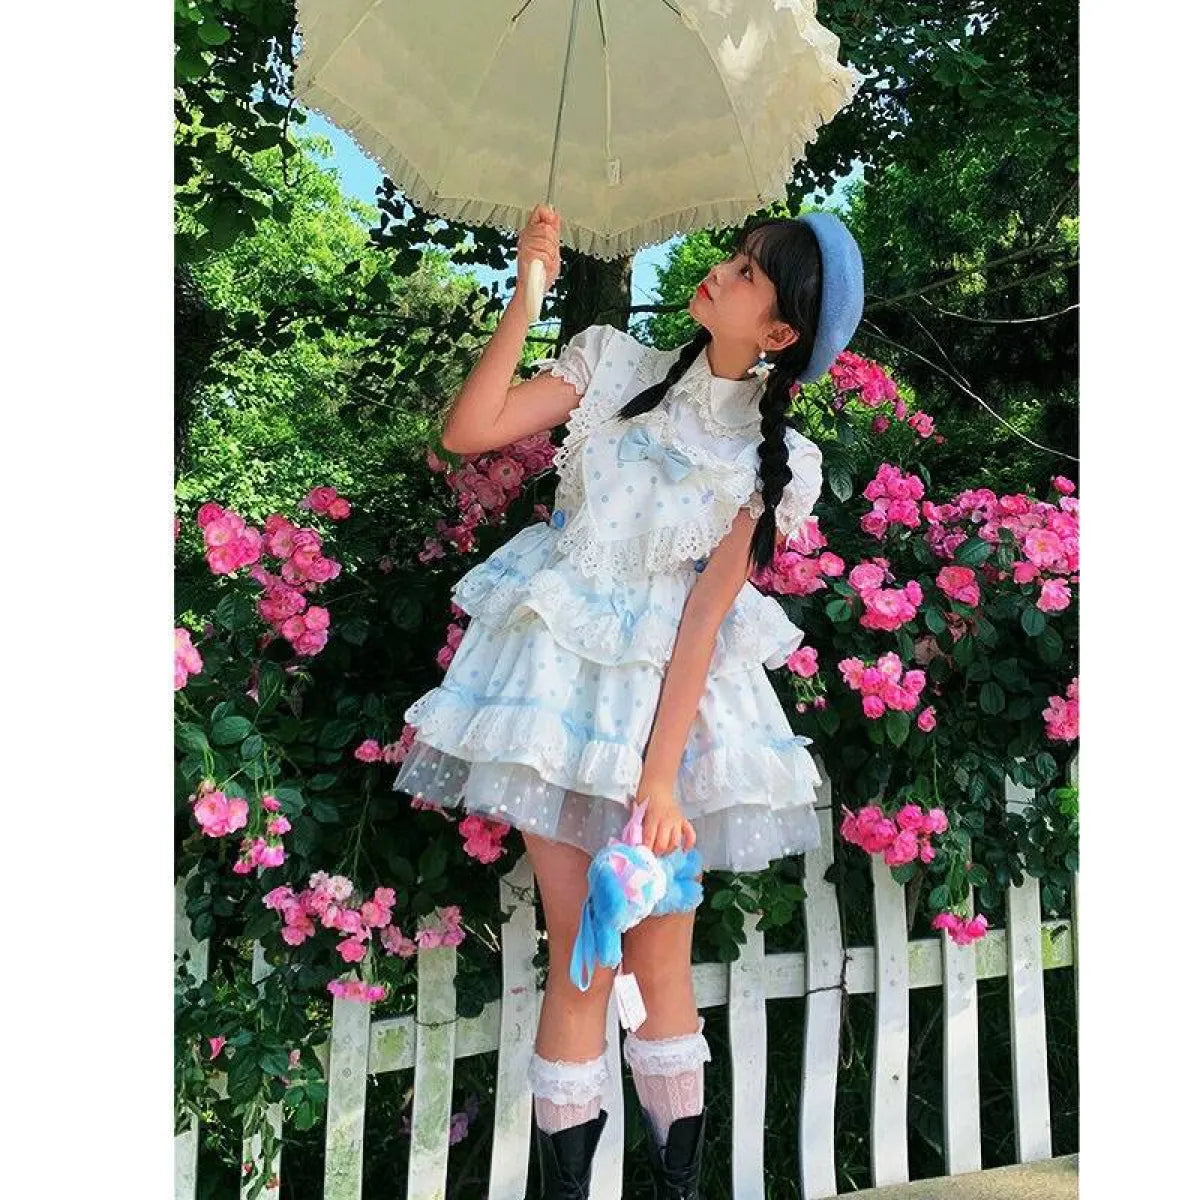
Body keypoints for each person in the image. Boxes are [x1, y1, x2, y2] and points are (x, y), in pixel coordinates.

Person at [393, 202, 864, 1198]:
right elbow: (469, 430)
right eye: (735, 256)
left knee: (662, 965)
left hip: (675, 723)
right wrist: (528, 295)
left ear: (781, 333)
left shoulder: (776, 460)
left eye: (749, 274)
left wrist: (660, 779)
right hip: (559, 690)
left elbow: (704, 623)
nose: (722, 272)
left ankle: (680, 1189)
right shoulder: (609, 361)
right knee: (583, 950)